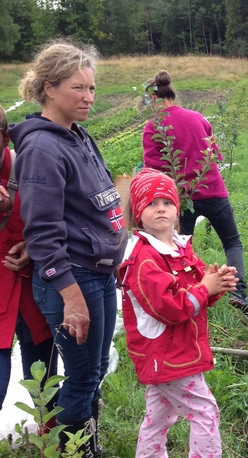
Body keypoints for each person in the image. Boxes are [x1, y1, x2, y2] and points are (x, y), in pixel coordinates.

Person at [10, 39, 127, 456]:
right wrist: (71, 296)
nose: (89, 97)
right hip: (73, 280)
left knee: (93, 371)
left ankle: (82, 443)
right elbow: (42, 232)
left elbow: (89, 207)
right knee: (80, 376)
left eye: (92, 88)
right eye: (79, 88)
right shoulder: (43, 147)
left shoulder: (76, 135)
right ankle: (76, 450)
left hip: (96, 273)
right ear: (49, 88)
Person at [119, 169, 238, 457]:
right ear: (137, 212)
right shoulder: (144, 260)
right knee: (205, 412)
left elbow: (198, 289)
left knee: (159, 417)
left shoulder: (179, 247)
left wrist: (216, 283)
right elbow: (170, 308)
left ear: (177, 208)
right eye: (151, 203)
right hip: (166, 353)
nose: (160, 208)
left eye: (167, 202)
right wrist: (204, 289)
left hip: (177, 351)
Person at [141, 70, 248, 315]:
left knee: (181, 249)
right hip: (214, 191)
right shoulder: (197, 118)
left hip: (180, 200)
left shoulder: (154, 127)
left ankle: (189, 296)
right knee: (232, 242)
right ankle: (238, 293)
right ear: (172, 93)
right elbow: (215, 155)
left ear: (152, 100)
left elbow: (153, 172)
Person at [0, 104, 58, 425]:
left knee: (44, 378)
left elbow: (53, 220)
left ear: (6, 137)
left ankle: (49, 440)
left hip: (35, 292)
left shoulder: (27, 167)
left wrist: (32, 248)